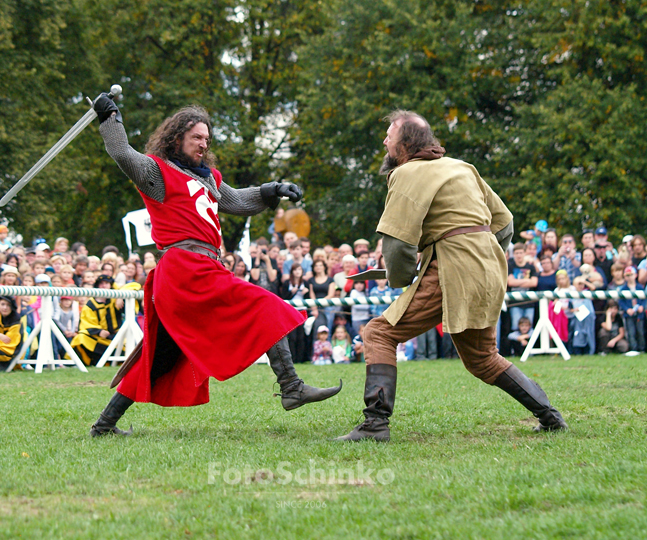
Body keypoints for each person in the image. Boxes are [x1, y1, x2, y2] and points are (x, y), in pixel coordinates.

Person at [88, 97, 341, 436]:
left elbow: (236, 200)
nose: (204, 144)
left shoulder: (207, 178)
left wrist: (272, 190)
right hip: (184, 269)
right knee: (265, 304)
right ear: (177, 138)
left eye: (207, 139)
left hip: (202, 268)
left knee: (163, 355)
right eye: (197, 137)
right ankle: (291, 386)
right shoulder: (157, 172)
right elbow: (122, 154)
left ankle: (104, 425)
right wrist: (110, 117)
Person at [337, 110, 566, 443]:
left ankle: (375, 425)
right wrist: (481, 253)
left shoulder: (406, 174)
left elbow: (398, 245)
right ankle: (551, 417)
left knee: (378, 334)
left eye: (390, 135)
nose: (385, 141)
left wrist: (401, 279)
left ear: (405, 144)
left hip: (454, 266)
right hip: (487, 264)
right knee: (483, 359)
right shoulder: (462, 167)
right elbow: (505, 223)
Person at [70, 275, 123, 366]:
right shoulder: (91, 304)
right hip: (99, 338)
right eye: (101, 283)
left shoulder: (115, 298)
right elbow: (86, 324)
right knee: (80, 338)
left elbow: (134, 286)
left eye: (106, 283)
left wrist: (121, 295)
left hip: (117, 337)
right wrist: (99, 331)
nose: (104, 286)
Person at [618, 266, 645, 352]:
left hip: (639, 314)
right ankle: (633, 349)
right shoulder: (623, 289)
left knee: (641, 331)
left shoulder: (640, 287)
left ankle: (642, 349)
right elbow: (621, 301)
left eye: (631, 274)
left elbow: (645, 299)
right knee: (631, 332)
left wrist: (642, 306)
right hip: (629, 313)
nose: (629, 277)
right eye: (627, 275)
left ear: (636, 275)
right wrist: (627, 309)